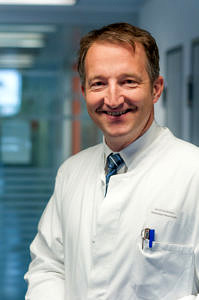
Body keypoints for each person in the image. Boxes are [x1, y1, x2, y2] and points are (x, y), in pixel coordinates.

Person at [24, 22, 199, 300]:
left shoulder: (193, 172)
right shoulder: (71, 171)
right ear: (84, 92)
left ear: (156, 89)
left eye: (128, 81)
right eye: (99, 83)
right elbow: (49, 266)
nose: (113, 99)